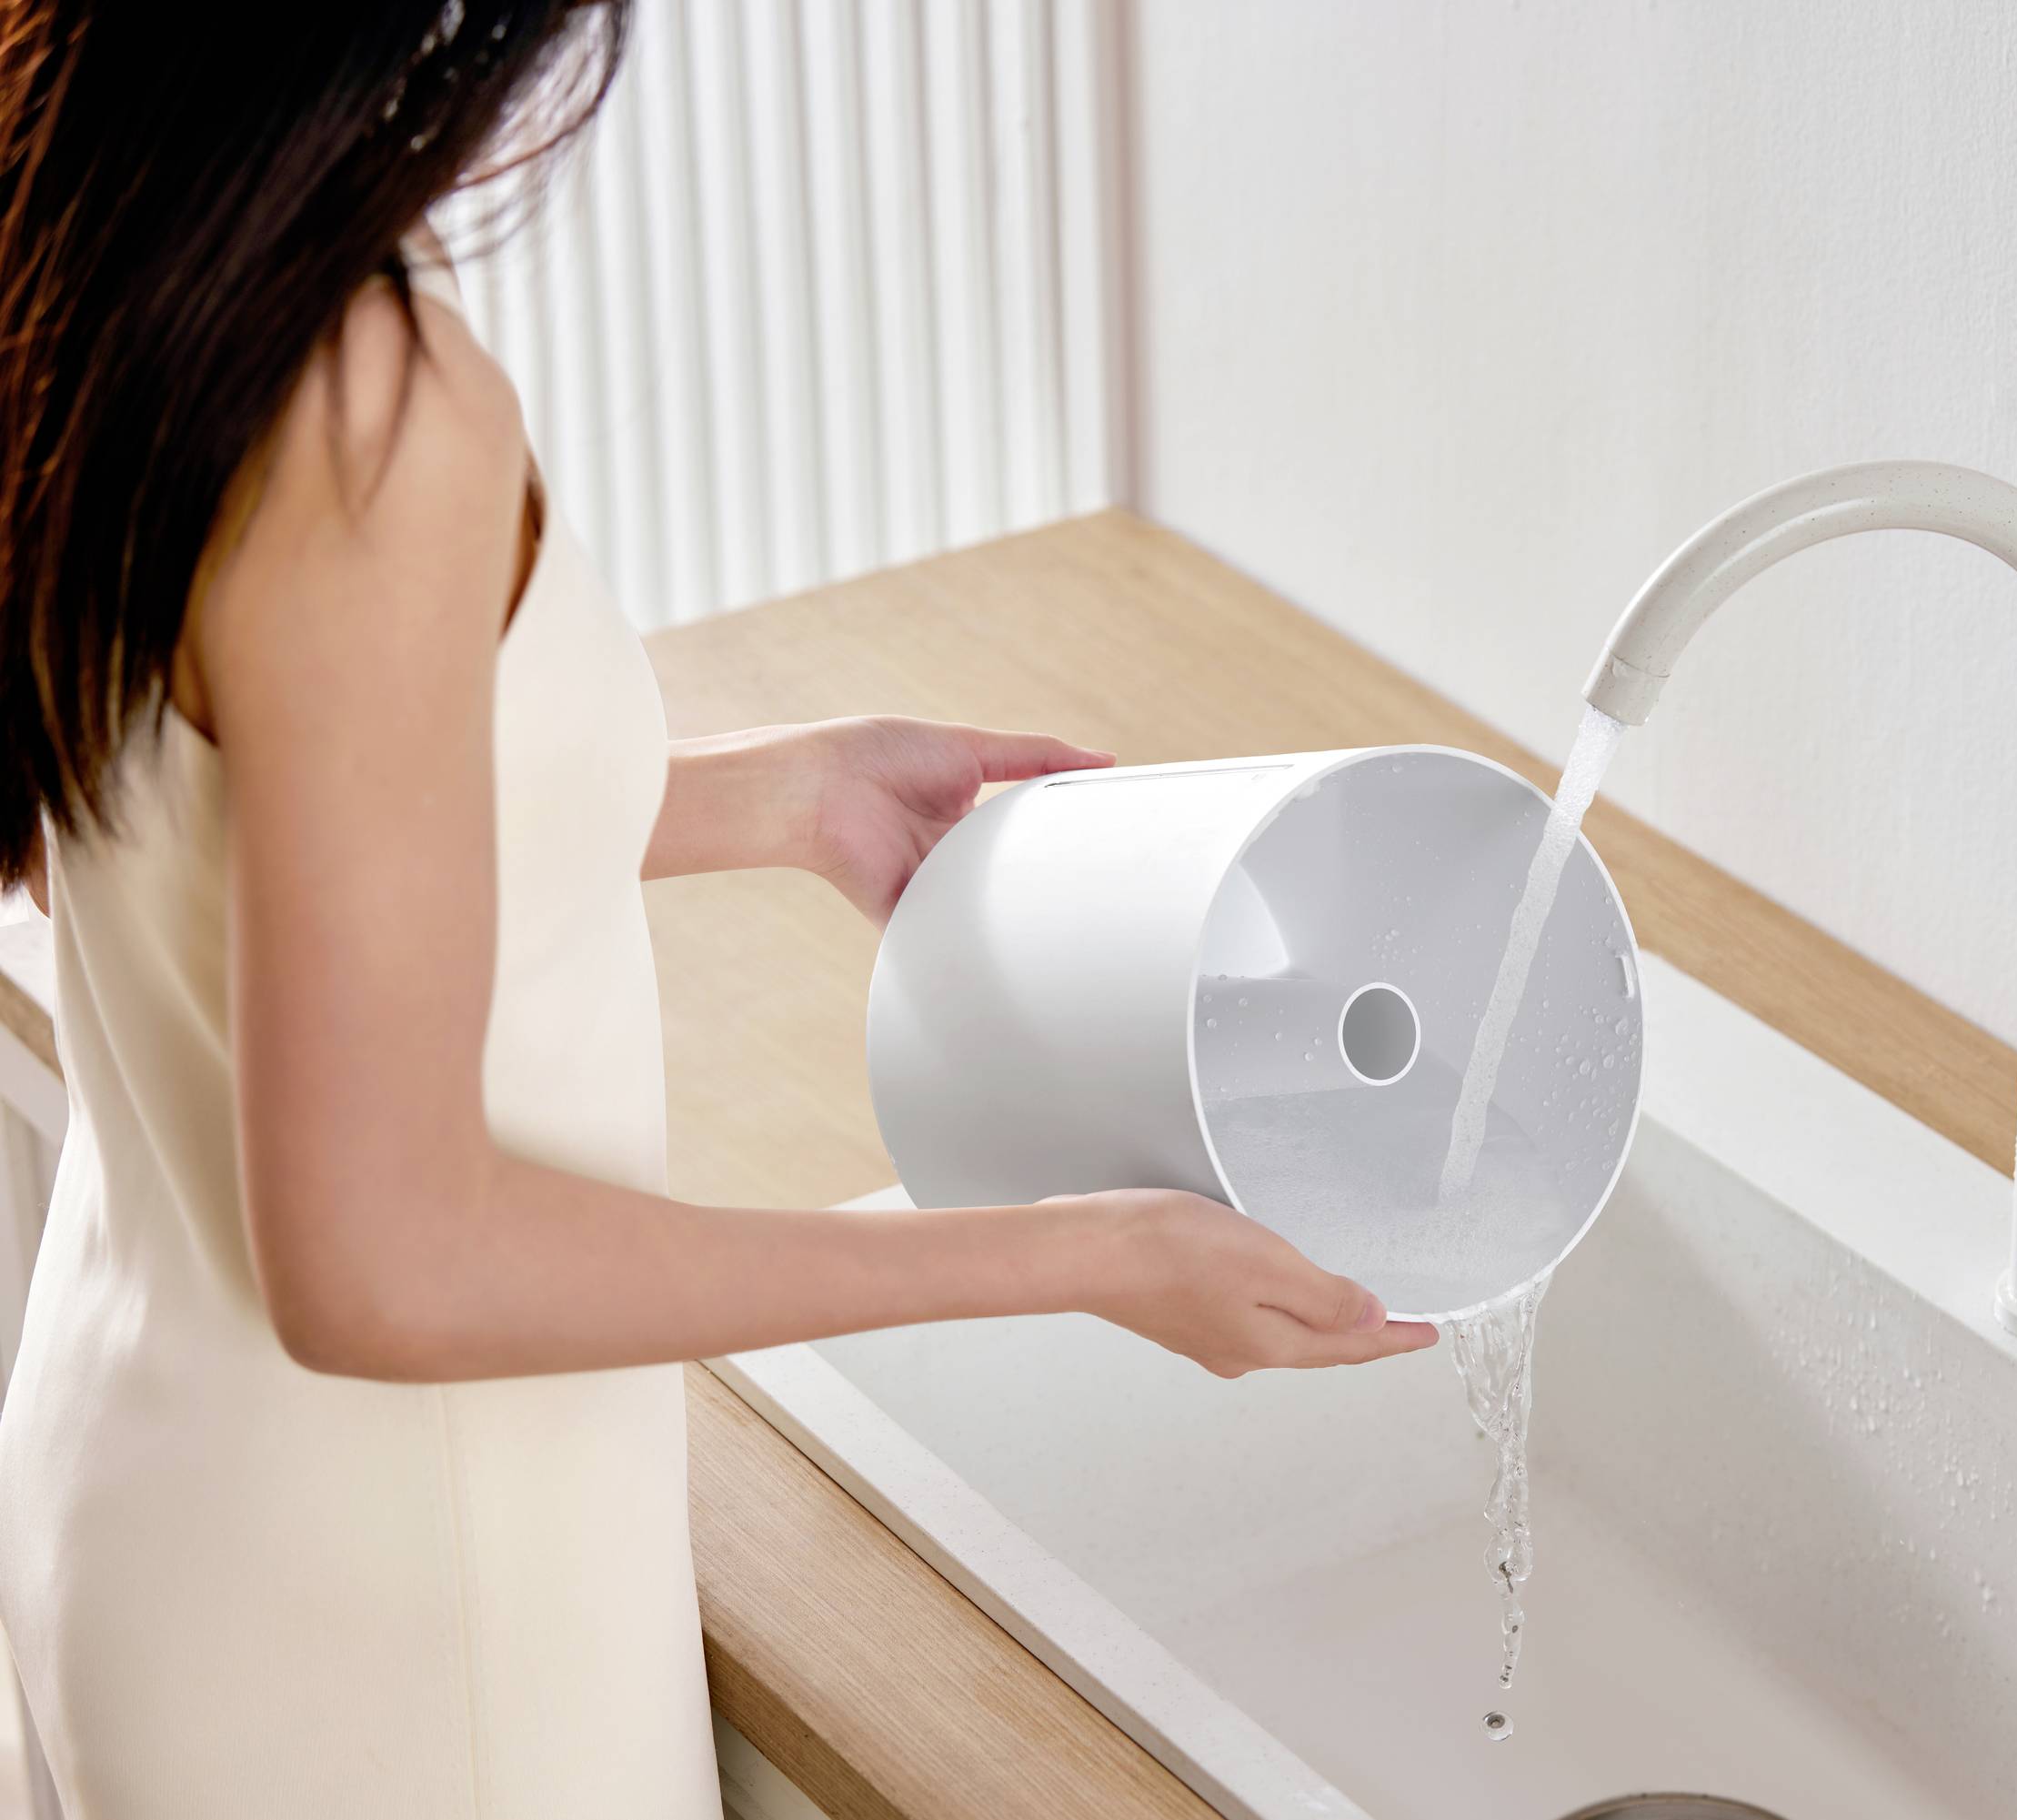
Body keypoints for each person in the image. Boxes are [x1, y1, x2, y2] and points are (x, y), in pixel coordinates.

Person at [0, 6, 1435, 1814]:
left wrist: (777, 791)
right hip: (419, 1616)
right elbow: (383, 1263)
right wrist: (1079, 1250)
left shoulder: (92, 216)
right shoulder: (368, 402)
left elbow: (186, 834)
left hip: (141, 1498)